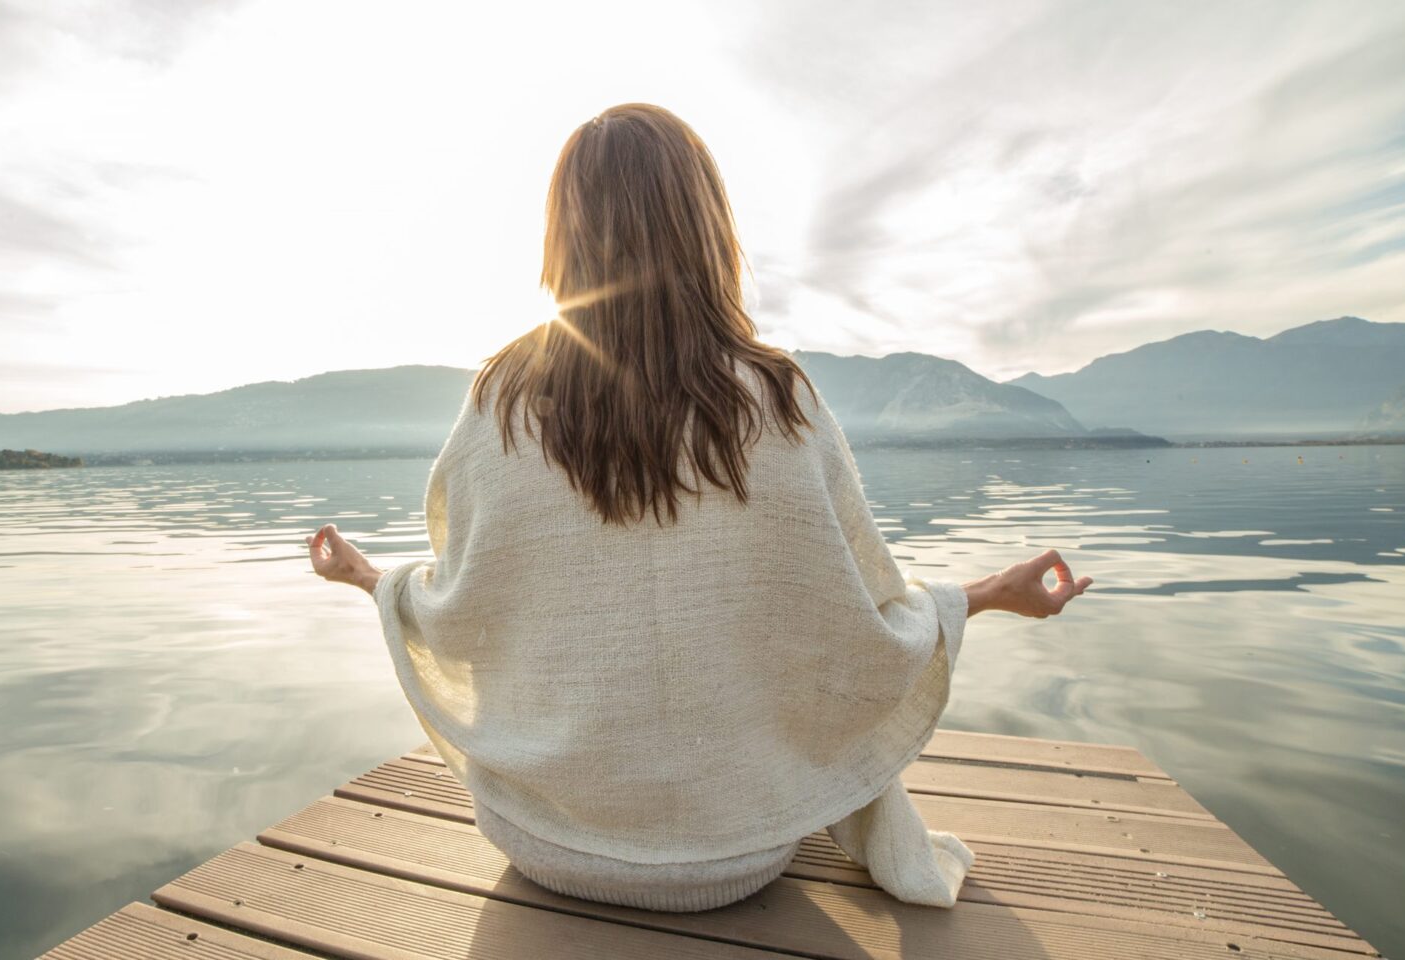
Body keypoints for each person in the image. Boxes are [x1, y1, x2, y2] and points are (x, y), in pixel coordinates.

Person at [307, 103, 1091, 912]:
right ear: (706, 225)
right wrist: (995, 593)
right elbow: (855, 626)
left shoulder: (501, 403)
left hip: (545, 841)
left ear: (561, 236)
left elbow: (461, 605)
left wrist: (371, 580)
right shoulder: (778, 400)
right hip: (736, 857)